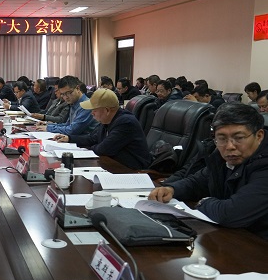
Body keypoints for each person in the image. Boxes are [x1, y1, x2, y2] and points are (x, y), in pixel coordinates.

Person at [149, 103, 268, 239]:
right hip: (232, 235)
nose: (229, 146)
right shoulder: (220, 156)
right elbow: (198, 182)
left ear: (259, 136)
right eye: (221, 138)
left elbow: (230, 214)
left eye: (239, 138)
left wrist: (204, 202)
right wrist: (172, 189)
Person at [53, 89, 152, 170]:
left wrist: (88, 148)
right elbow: (92, 138)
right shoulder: (107, 120)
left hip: (132, 171)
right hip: (114, 165)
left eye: (94, 110)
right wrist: (69, 138)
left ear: (107, 110)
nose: (92, 113)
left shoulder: (125, 122)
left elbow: (103, 149)